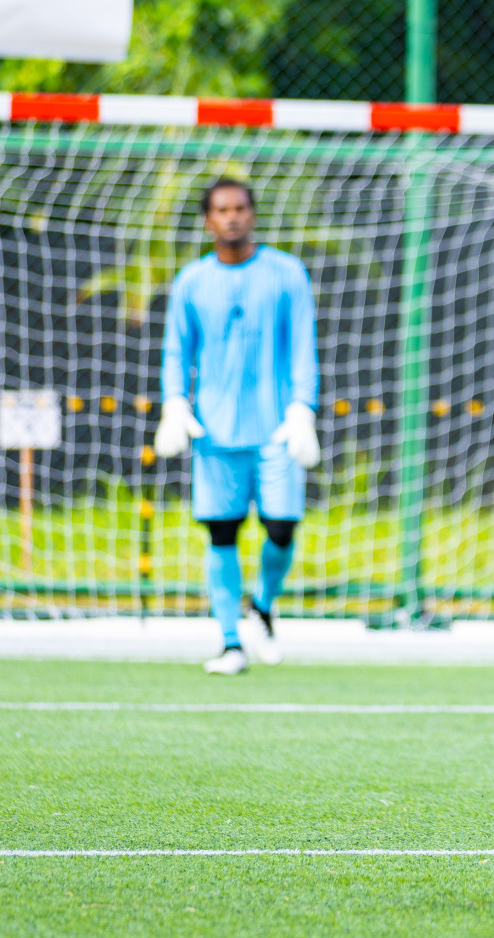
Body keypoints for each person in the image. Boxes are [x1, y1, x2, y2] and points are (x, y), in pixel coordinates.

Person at [153, 178, 320, 675]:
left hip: (277, 429)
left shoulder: (286, 272)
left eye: (240, 208)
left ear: (252, 214)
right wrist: (175, 405)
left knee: (282, 526)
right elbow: (176, 350)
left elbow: (302, 343)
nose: (232, 217)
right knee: (221, 533)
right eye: (222, 210)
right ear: (208, 219)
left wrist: (302, 408)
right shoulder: (191, 281)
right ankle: (230, 642)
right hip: (215, 432)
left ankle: (263, 606)